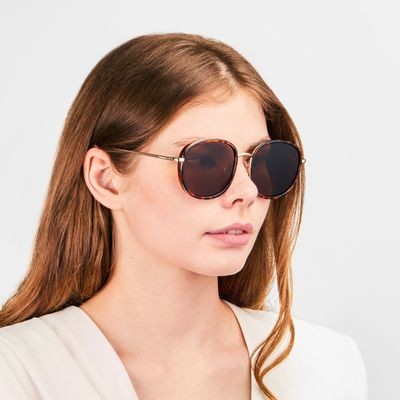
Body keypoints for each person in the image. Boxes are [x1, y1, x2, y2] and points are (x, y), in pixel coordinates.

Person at [0, 32, 368, 400]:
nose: (246, 191)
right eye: (204, 161)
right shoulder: (16, 371)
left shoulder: (327, 366)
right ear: (106, 179)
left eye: (264, 162)